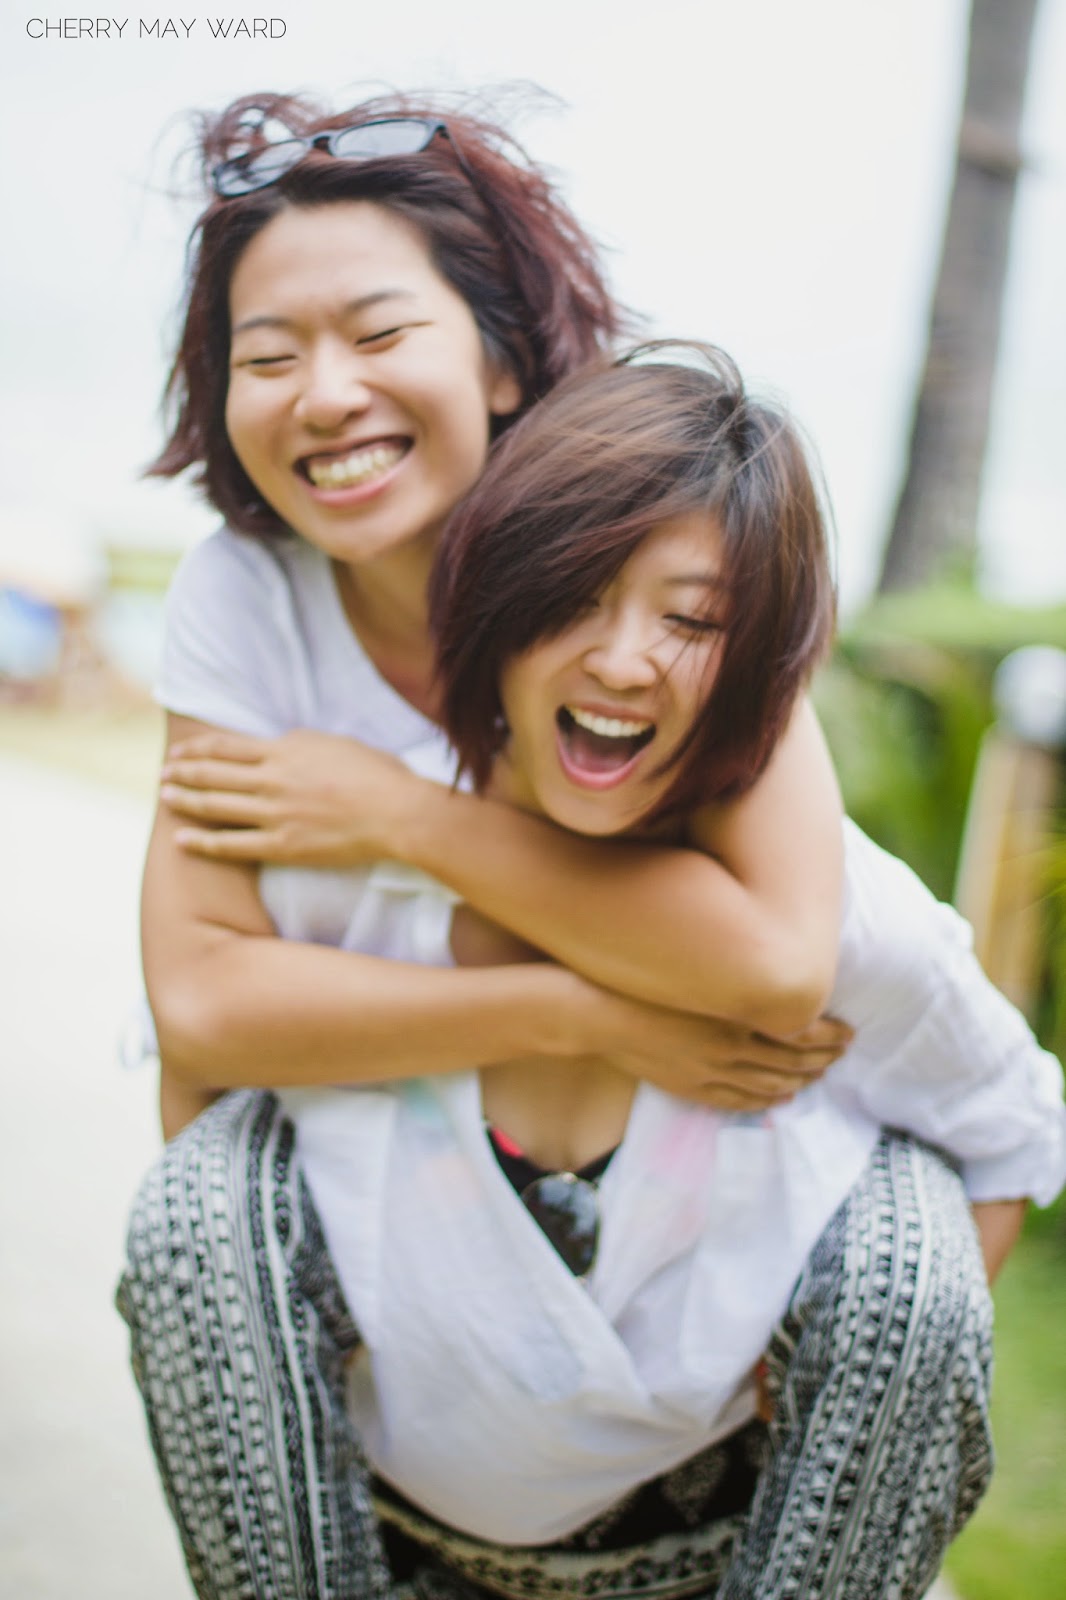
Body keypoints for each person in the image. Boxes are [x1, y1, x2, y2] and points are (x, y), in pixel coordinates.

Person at [114, 90, 1053, 1599]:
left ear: (497, 356)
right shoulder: (247, 598)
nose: (321, 394)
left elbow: (782, 963)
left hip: (692, 1331)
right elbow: (207, 1014)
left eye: (375, 332)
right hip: (430, 1279)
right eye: (264, 357)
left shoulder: (656, 571)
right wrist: (588, 1004)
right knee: (202, 1210)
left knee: (901, 1270)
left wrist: (393, 813)